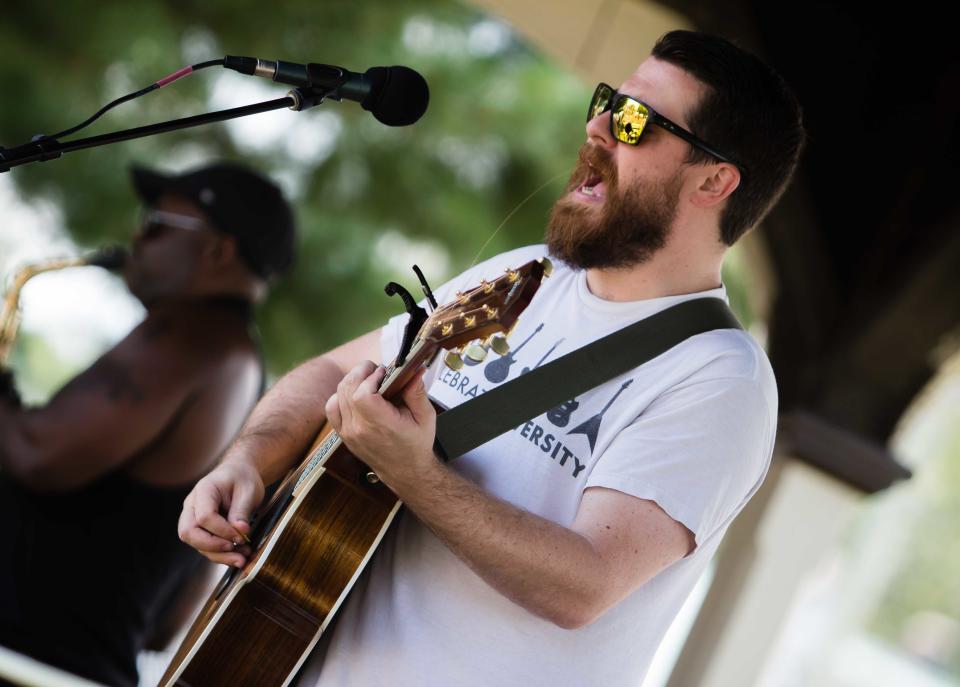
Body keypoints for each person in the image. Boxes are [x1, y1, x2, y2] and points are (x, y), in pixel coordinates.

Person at [178, 29, 805, 687]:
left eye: (635, 119)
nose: (596, 126)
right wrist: (248, 461)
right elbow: (335, 372)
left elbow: (585, 584)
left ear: (714, 179)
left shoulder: (718, 377)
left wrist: (414, 471)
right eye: (607, 102)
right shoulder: (528, 273)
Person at [0, 162, 296, 687]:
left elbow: (36, 456)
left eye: (157, 224)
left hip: (27, 659)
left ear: (218, 250)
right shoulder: (241, 371)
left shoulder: (193, 338)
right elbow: (166, 625)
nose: (137, 237)